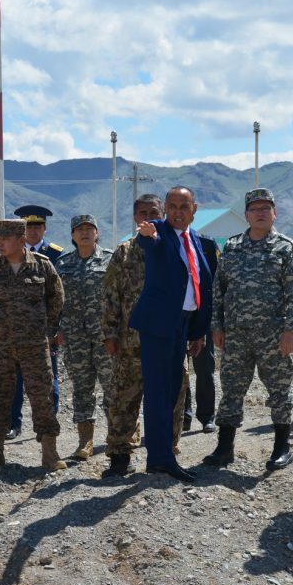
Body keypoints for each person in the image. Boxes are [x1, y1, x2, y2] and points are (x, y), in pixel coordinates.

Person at [205, 188, 293, 470]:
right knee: (231, 390)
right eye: (255, 208)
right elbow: (219, 290)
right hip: (236, 336)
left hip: (273, 336)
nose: (261, 213)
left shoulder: (285, 248)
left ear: (274, 213)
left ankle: (281, 448)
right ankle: (224, 448)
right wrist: (217, 325)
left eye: (266, 208)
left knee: (279, 390)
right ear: (247, 214)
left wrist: (290, 331)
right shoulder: (233, 246)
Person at [101, 195, 190, 477]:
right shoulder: (125, 252)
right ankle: (119, 455)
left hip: (167, 341)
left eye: (154, 212)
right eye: (143, 213)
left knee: (171, 398)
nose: (149, 217)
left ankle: (166, 452)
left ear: (163, 214)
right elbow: (110, 296)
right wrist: (110, 334)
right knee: (122, 400)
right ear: (134, 217)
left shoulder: (173, 246)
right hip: (131, 342)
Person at [129, 186, 213, 483]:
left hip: (183, 324)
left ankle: (161, 455)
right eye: (173, 206)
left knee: (172, 389)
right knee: (159, 393)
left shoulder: (196, 240)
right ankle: (160, 458)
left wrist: (198, 331)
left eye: (184, 206)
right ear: (165, 208)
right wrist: (148, 234)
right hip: (158, 326)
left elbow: (202, 286)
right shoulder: (158, 233)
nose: (178, 211)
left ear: (194, 209)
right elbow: (148, 242)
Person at [0, 219, 66, 471]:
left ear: (20, 239)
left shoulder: (42, 266)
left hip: (35, 345)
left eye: (5, 238)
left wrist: (45, 328)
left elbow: (56, 298)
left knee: (43, 396)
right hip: (2, 345)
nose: (0, 243)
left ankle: (49, 453)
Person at [54, 214, 114, 460]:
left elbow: (119, 296)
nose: (85, 232)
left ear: (97, 233)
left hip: (104, 336)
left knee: (112, 387)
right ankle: (85, 441)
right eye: (80, 229)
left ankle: (117, 436)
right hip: (75, 336)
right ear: (72, 235)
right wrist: (57, 329)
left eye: (90, 228)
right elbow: (55, 299)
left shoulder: (111, 259)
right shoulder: (63, 263)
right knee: (82, 389)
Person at [7, 204, 65, 439]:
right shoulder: (10, 254)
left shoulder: (56, 255)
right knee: (14, 380)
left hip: (45, 329)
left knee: (48, 379)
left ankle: (47, 424)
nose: (33, 231)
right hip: (16, 329)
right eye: (28, 226)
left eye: (37, 226)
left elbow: (60, 296)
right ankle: (14, 424)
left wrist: (57, 327)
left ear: (44, 228)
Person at [182, 232, 220, 434]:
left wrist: (214, 320)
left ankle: (207, 416)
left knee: (205, 367)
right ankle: (184, 416)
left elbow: (215, 282)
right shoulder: (170, 242)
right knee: (180, 369)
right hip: (178, 315)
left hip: (202, 314)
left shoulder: (206, 243)